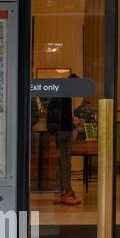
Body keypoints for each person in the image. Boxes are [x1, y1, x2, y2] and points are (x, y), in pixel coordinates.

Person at [46, 77, 80, 206]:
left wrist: (71, 123)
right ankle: (68, 192)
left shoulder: (59, 94)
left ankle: (59, 192)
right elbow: (62, 117)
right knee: (66, 164)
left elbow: (57, 115)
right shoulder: (65, 96)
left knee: (61, 163)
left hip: (60, 132)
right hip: (64, 133)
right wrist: (71, 125)